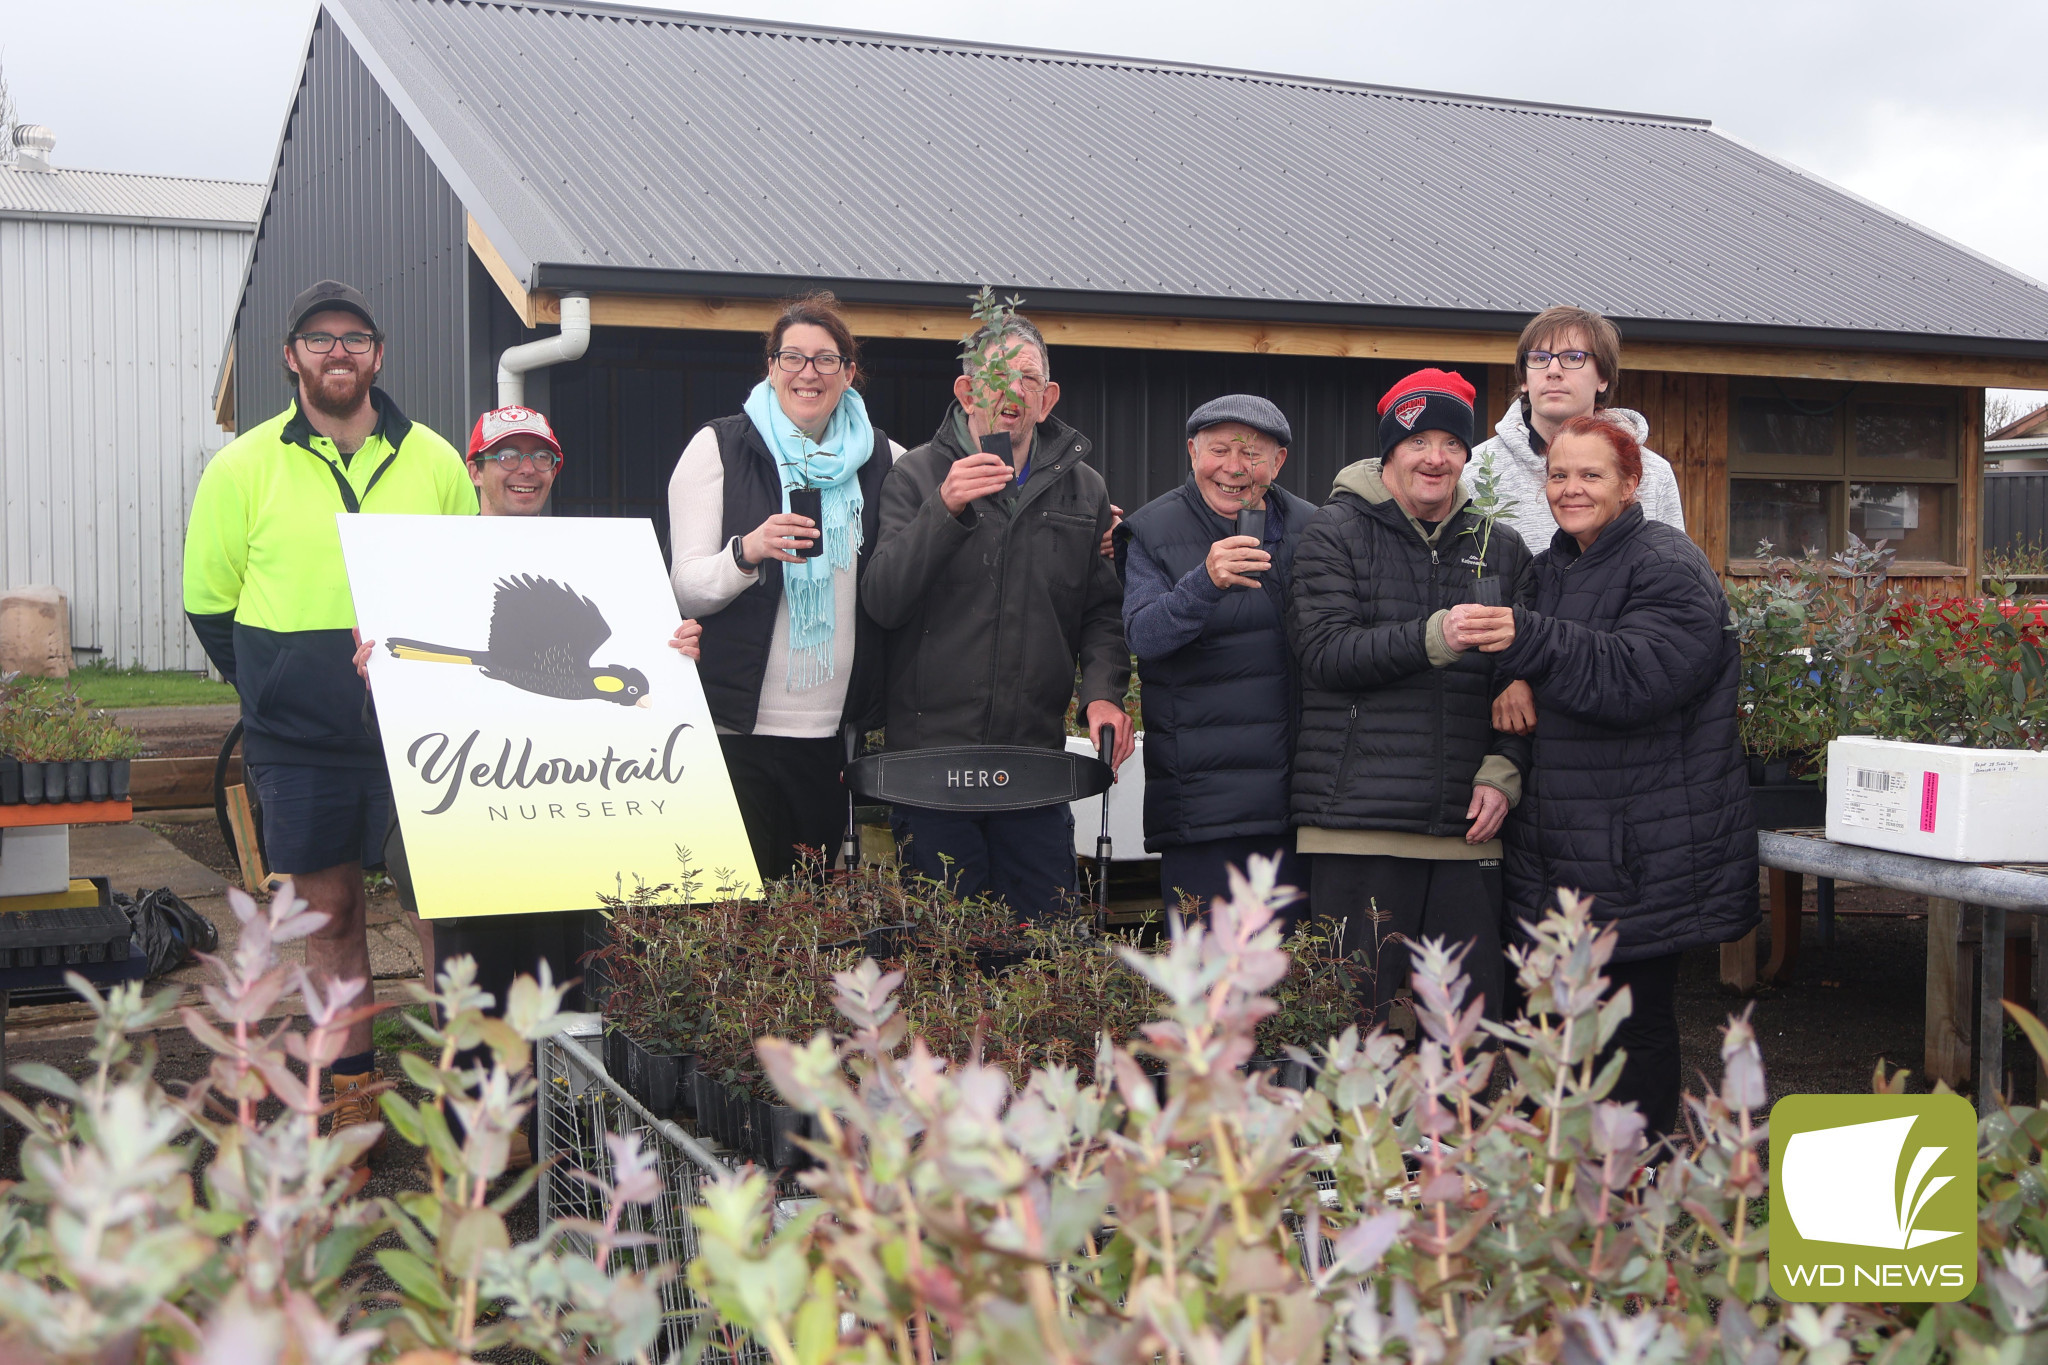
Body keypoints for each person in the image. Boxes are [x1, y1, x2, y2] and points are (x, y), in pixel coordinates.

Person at [355, 405, 701, 1168]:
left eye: (538, 456)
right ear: (474, 471)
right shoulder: (427, 562)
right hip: (474, 833)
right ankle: (469, 1163)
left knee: (566, 997)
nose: (523, 469)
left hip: (564, 841)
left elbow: (641, 686)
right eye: (504, 455)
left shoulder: (605, 565)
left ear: (555, 470)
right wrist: (382, 668)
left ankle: (567, 1159)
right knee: (470, 1000)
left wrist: (673, 647)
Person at [184, 279, 477, 1155]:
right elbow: (209, 604)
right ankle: (349, 1093)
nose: (338, 352)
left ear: (379, 355)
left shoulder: (431, 459)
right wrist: (278, 686)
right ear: (291, 357)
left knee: (444, 915)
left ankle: (452, 1091)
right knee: (332, 918)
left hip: (421, 729)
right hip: (300, 745)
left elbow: (467, 583)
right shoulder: (243, 465)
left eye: (354, 338)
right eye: (319, 339)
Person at [1491, 412, 1758, 1141]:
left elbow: (1636, 677)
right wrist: (1514, 671)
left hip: (1641, 841)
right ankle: (1572, 1180)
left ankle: (1638, 1178)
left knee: (1633, 1022)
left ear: (1632, 484)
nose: (1570, 488)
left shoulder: (1665, 563)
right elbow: (1536, 652)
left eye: (1590, 474)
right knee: (1564, 1018)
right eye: (1558, 474)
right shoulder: (1557, 565)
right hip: (1569, 840)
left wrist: (1526, 644)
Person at [862, 310, 1133, 919]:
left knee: (1043, 950)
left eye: (1028, 378)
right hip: (930, 768)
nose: (1012, 392)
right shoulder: (917, 475)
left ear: (1047, 397)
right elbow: (882, 598)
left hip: (1031, 764)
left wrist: (1103, 693)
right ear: (965, 391)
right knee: (941, 955)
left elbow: (1101, 613)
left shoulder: (1082, 489)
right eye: (994, 377)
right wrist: (946, 508)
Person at [1289, 369, 1530, 1027]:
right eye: (1418, 440)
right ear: (1388, 452)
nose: (1435, 457)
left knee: (1465, 1033)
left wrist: (1503, 771)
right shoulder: (1332, 533)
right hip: (1354, 826)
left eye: (1451, 442)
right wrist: (1438, 634)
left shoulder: (1499, 546)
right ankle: (1351, 1136)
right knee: (1351, 1024)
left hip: (1463, 829)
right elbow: (1326, 654)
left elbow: (1528, 678)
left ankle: (1460, 1137)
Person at [667, 293, 898, 882]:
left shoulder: (887, 461)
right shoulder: (717, 449)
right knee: (728, 904)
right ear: (771, 367)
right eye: (792, 357)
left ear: (849, 373)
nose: (808, 373)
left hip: (830, 736)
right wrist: (747, 552)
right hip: (732, 727)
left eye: (826, 360)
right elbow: (686, 589)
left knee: (806, 918)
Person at [1116, 394, 1316, 920]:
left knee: (1300, 983)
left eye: (1251, 454)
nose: (1234, 467)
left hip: (1299, 805)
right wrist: (1202, 583)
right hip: (1202, 808)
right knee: (1209, 987)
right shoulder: (1152, 531)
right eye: (1219, 450)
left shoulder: (1316, 528)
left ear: (1278, 463)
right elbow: (1144, 636)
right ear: (1191, 452)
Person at [1474, 306, 1685, 740]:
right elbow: (1472, 582)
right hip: (1508, 709)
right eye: (1539, 358)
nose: (1553, 371)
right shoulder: (1478, 469)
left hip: (1614, 694)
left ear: (1603, 377)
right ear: (1524, 377)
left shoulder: (1652, 472)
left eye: (1572, 358)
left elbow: (1670, 591)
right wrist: (1506, 676)